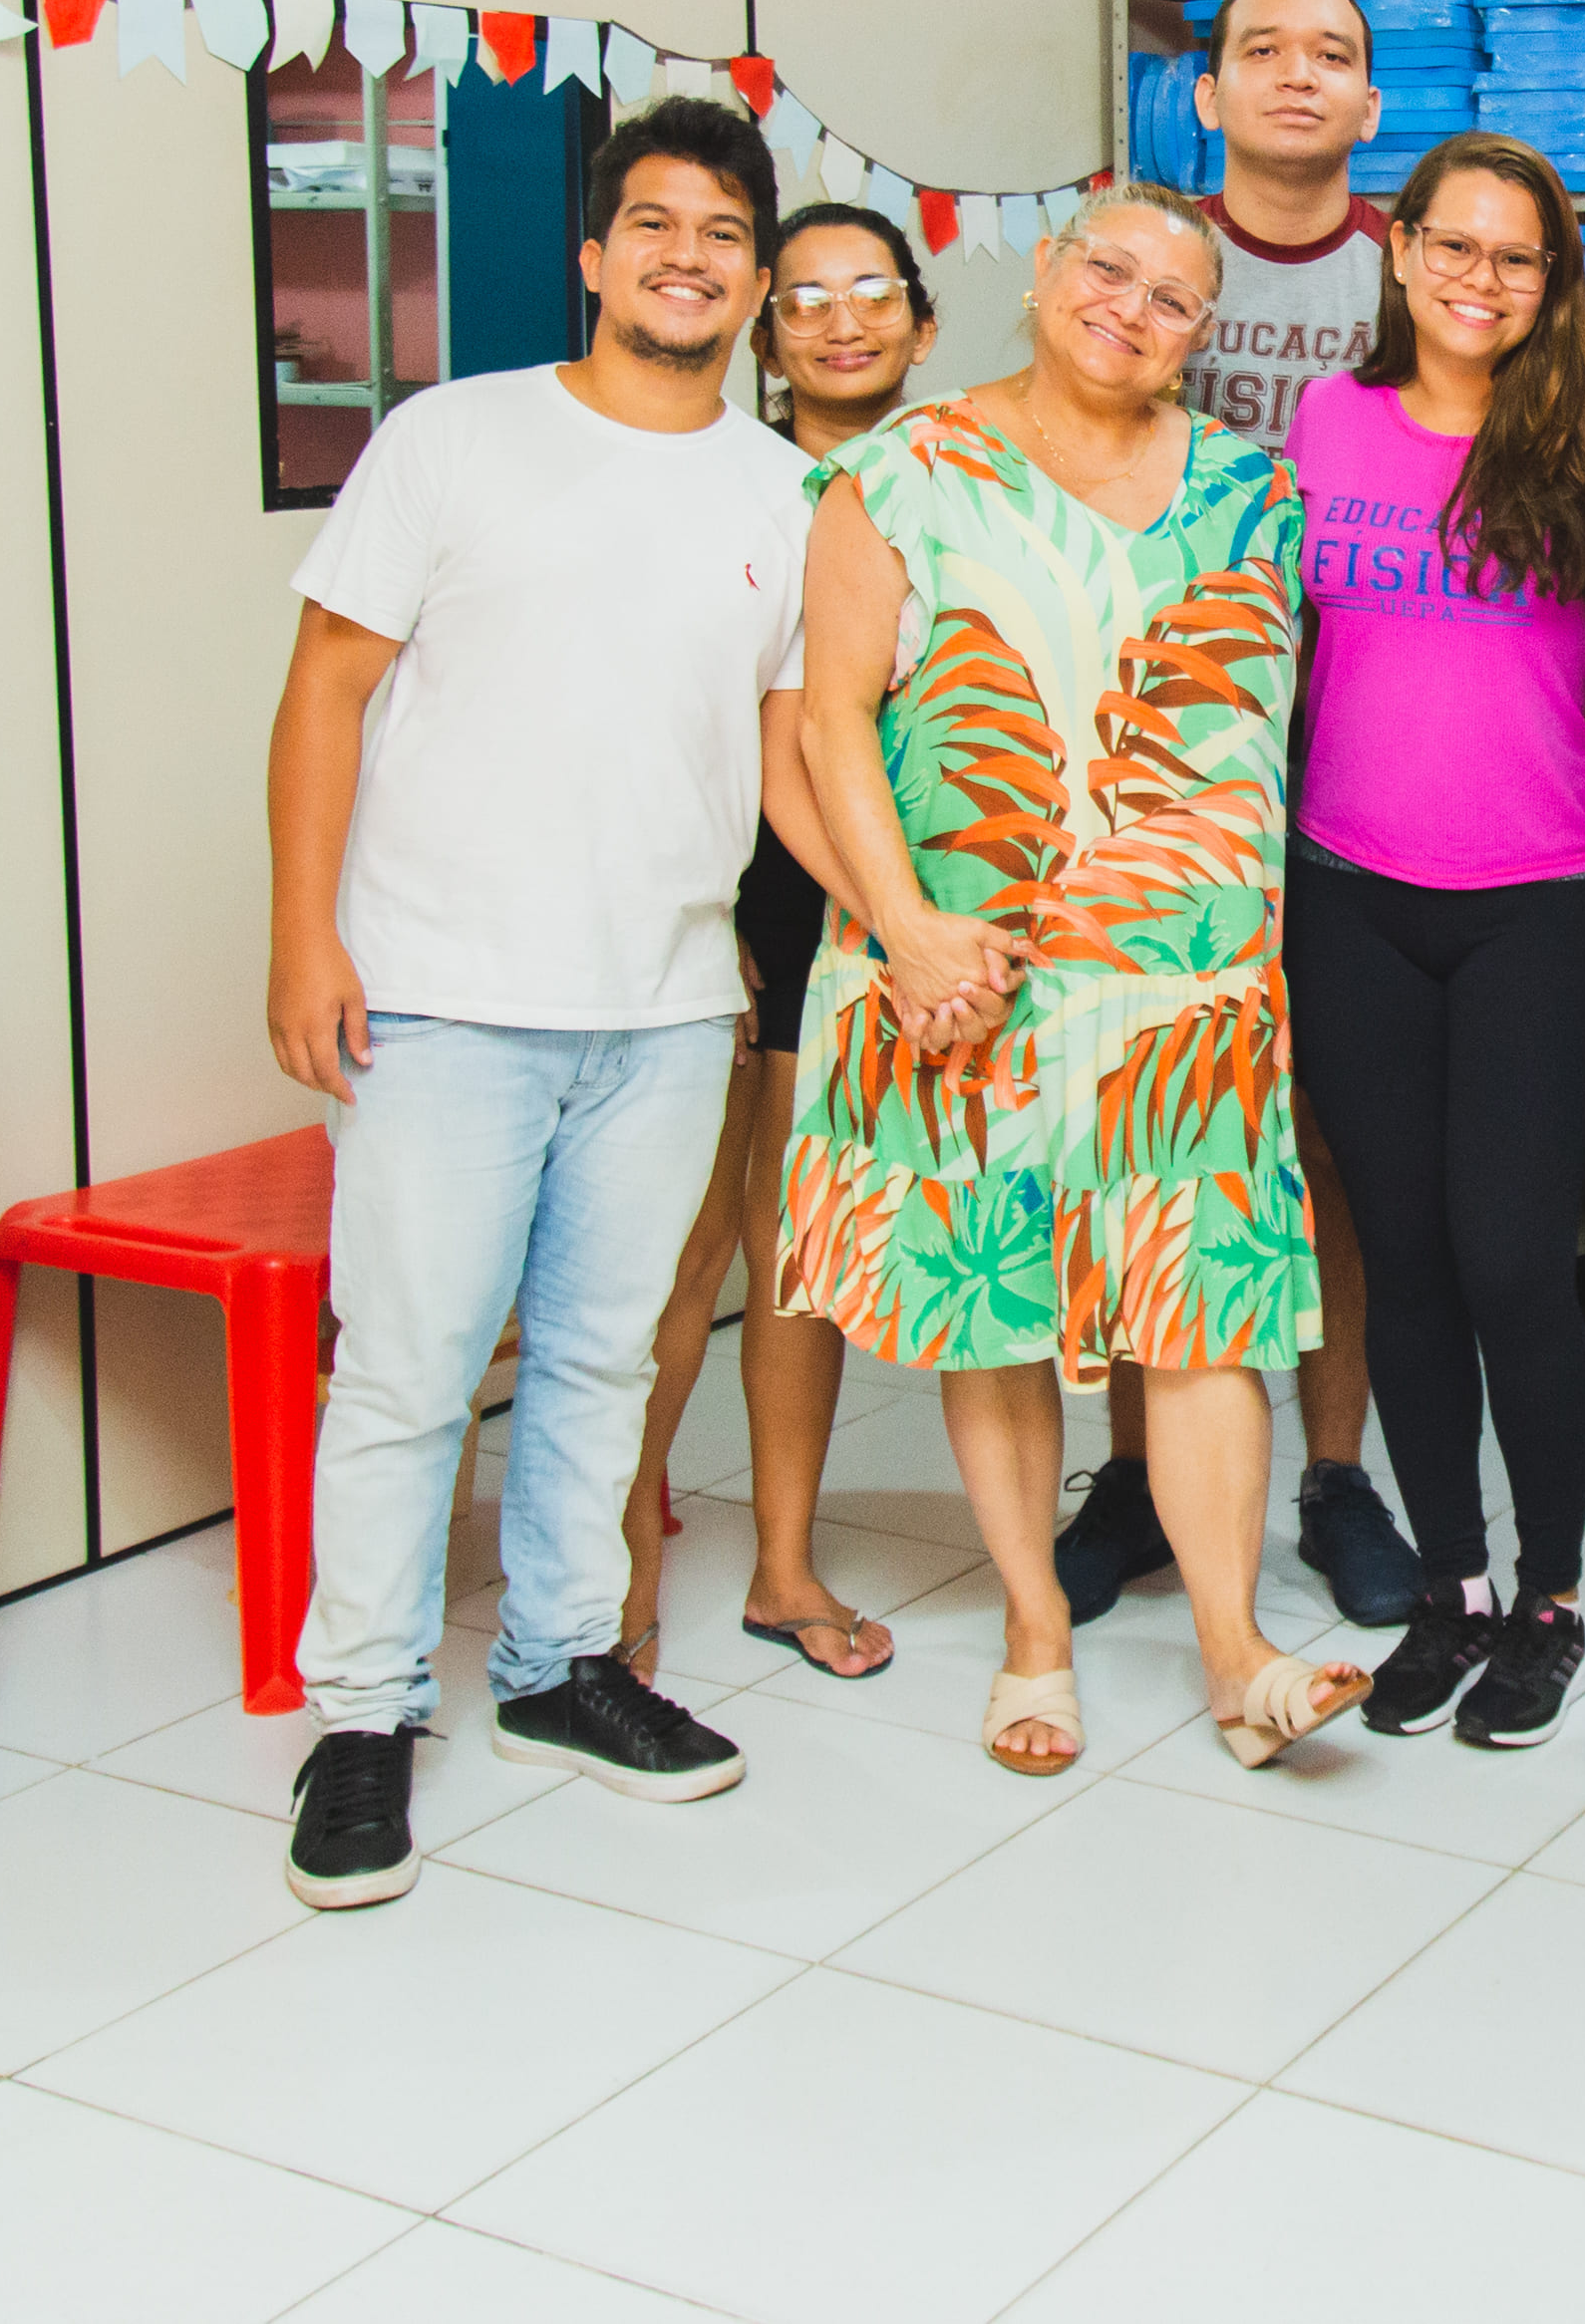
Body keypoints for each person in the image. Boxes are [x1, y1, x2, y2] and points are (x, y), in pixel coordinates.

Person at [264, 100, 808, 1912]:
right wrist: (303, 937)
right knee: (412, 1364)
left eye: (723, 233)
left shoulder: (781, 488)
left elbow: (782, 748)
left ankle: (563, 1668)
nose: (686, 256)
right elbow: (325, 693)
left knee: (602, 1354)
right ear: (591, 255)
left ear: (753, 271)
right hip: (440, 989)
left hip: (662, 1000)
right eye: (652, 224)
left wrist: (892, 911)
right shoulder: (453, 439)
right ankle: (362, 1718)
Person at [778, 184, 1365, 1778]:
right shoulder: (895, 475)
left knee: (1210, 1314)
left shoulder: (1258, 488)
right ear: (1042, 272)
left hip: (1195, 985)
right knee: (1002, 1315)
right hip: (972, 973)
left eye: (1175, 297)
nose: (1132, 307)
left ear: (1203, 333)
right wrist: (900, 923)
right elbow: (832, 724)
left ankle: (1240, 1650)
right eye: (1106, 270)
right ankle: (1036, 1628)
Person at [1058, 0, 1419, 1633]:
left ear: (1368, 101)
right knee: (1155, 1137)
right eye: (1261, 49)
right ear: (1204, 93)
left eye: (1331, 54)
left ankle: (1336, 1477)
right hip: (1153, 776)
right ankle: (1137, 1472)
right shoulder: (1150, 259)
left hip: (1352, 767)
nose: (1296, 75)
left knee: (1334, 1143)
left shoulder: (1413, 275)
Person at [1283, 135, 1585, 1748]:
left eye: (1518, 256)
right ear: (1402, 246)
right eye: (1456, 244)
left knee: (1513, 1257)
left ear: (1550, 282)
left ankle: (1550, 1592)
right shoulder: (1325, 423)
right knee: (1407, 1259)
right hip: (1350, 891)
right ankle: (1454, 1583)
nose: (1481, 278)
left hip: (1544, 905)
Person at [612, 202, 942, 1685]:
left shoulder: (959, 482)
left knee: (794, 1250)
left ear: (924, 324)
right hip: (740, 898)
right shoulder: (724, 489)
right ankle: (617, 1555)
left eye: (874, 291)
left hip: (901, 898)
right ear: (765, 329)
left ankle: (784, 1565)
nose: (842, 319)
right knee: (680, 1254)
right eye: (804, 298)